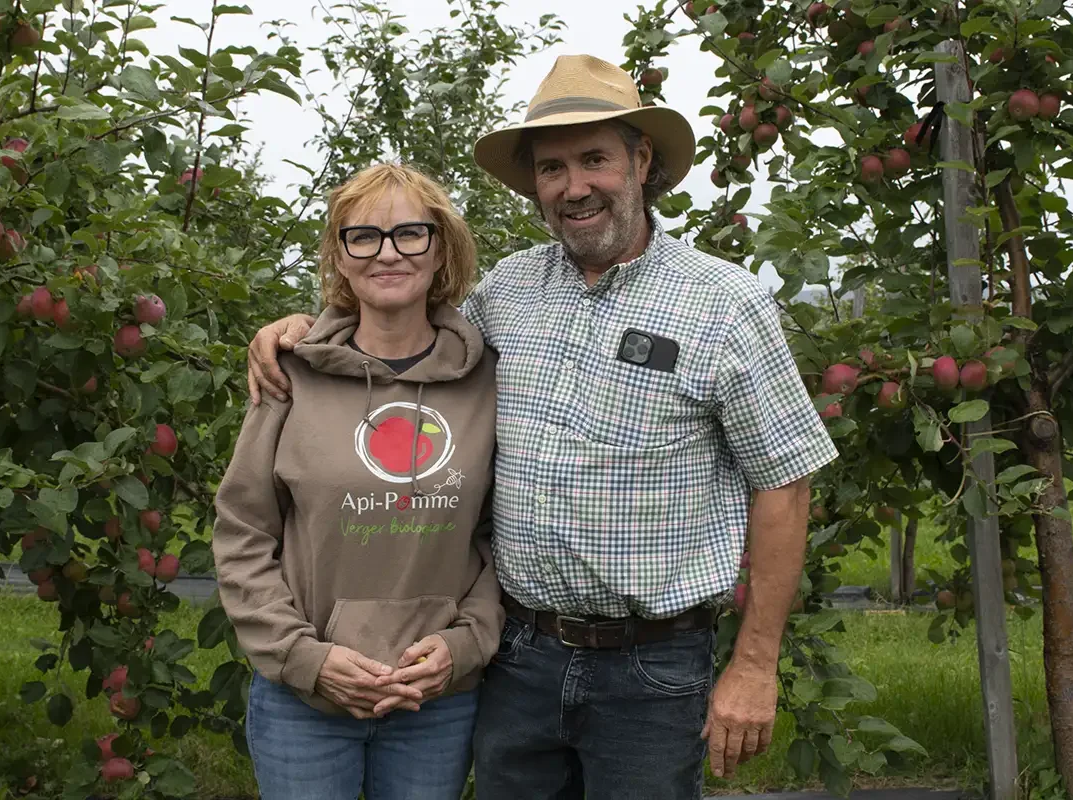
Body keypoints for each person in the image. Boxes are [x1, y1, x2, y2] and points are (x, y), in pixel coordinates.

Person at [245, 55, 839, 799]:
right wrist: (304, 329)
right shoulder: (509, 293)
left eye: (595, 159)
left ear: (641, 160)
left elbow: (784, 482)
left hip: (651, 667)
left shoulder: (725, 303)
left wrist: (754, 665)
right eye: (552, 168)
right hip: (519, 658)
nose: (574, 186)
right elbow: (398, 320)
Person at [212, 163, 504, 800]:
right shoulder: (290, 374)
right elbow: (242, 533)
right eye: (363, 236)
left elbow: (502, 535)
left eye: (410, 233)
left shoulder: (489, 380)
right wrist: (303, 659)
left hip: (436, 701)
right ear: (339, 256)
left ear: (441, 247)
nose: (387, 252)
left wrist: (467, 644)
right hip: (306, 703)